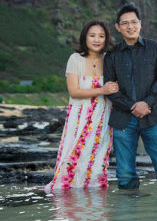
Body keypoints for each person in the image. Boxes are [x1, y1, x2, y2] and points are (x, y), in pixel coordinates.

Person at [103, 3, 157, 189]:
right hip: (123, 120)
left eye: (134, 22)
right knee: (125, 173)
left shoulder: (155, 48)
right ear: (117, 27)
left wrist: (146, 103)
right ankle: (131, 215)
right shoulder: (112, 55)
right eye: (125, 23)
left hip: (153, 116)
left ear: (140, 23)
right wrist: (133, 106)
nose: (130, 26)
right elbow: (110, 89)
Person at [46, 20, 118, 190]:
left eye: (101, 36)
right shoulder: (75, 59)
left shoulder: (108, 59)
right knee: (73, 156)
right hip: (79, 118)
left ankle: (94, 208)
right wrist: (102, 90)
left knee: (98, 160)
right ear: (85, 38)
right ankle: (69, 204)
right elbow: (74, 91)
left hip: (102, 118)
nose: (97, 40)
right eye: (92, 35)